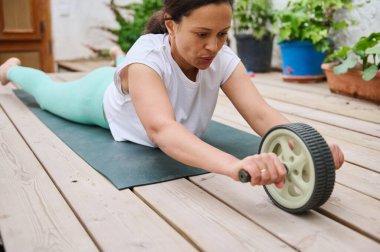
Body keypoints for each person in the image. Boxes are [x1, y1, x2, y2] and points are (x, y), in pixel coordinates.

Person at [0, 0, 344, 188]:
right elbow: (162, 131)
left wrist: (308, 144)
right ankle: (11, 68)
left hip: (136, 72)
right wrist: (235, 165)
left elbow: (261, 114)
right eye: (202, 34)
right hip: (97, 100)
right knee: (46, 93)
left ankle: (118, 57)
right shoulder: (149, 61)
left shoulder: (221, 57)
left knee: (134, 62)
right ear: (171, 25)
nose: (214, 46)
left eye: (223, 34)